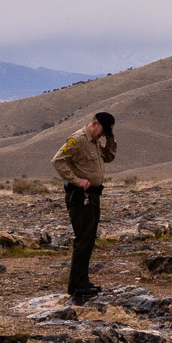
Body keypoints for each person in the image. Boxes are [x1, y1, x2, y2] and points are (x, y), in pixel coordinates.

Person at [52, 111, 116, 302]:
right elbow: (57, 161)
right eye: (103, 131)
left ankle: (83, 281)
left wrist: (110, 138)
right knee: (83, 239)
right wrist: (76, 180)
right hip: (80, 196)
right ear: (95, 124)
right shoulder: (77, 139)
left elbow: (109, 157)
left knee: (88, 239)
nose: (103, 135)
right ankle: (76, 285)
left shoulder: (95, 141)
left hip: (93, 195)